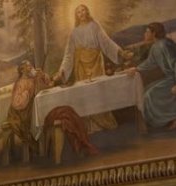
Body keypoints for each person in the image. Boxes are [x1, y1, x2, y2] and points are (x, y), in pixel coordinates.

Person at [53, 4, 132, 133]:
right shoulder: (74, 33)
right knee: (85, 94)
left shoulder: (95, 26)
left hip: (96, 62)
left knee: (98, 91)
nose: (81, 13)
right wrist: (61, 71)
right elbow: (68, 54)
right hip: (81, 66)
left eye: (83, 10)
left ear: (87, 11)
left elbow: (106, 42)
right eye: (78, 12)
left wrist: (120, 53)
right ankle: (90, 126)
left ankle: (102, 123)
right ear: (76, 16)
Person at [126, 22, 176, 130]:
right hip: (172, 78)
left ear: (154, 33)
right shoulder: (156, 46)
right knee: (146, 91)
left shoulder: (164, 44)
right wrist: (136, 69)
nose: (145, 34)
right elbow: (150, 62)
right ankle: (172, 117)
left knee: (150, 94)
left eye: (147, 32)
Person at [4, 60, 52, 158]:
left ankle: (45, 145)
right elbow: (17, 103)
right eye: (28, 66)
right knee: (34, 119)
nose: (31, 67)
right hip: (19, 112)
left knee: (43, 115)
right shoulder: (20, 83)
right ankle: (38, 146)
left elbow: (48, 83)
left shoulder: (33, 79)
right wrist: (27, 94)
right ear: (22, 70)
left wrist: (42, 75)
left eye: (31, 66)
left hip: (29, 108)